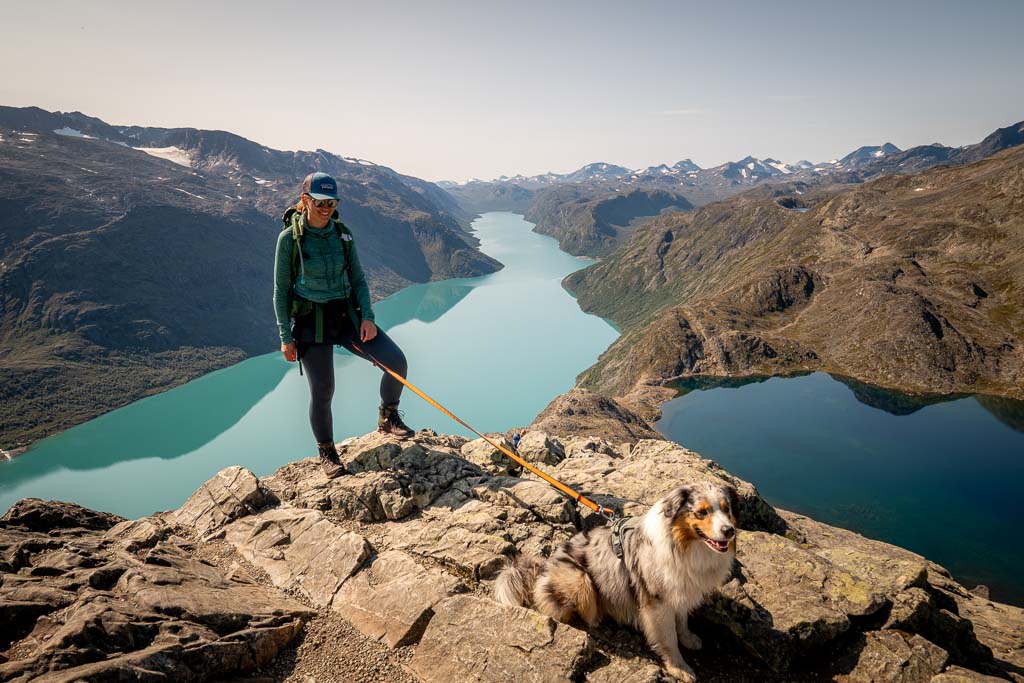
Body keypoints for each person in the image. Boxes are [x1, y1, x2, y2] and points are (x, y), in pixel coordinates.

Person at [274, 172, 414, 478]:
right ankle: (327, 451)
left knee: (396, 362)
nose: (327, 208)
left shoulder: (343, 234)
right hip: (311, 320)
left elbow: (358, 279)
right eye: (321, 202)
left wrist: (367, 317)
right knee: (323, 389)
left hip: (345, 316)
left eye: (332, 202)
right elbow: (280, 291)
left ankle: (388, 416)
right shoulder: (289, 240)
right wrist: (286, 336)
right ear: (306, 200)